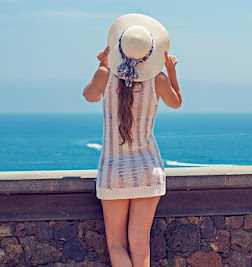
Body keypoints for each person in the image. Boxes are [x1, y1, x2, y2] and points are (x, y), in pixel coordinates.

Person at [82, 13, 182, 267]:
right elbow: (176, 102)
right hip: (149, 170)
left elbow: (89, 96)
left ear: (118, 48)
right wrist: (171, 72)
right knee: (140, 243)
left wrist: (102, 66)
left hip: (113, 172)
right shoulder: (157, 80)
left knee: (117, 244)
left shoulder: (106, 75)